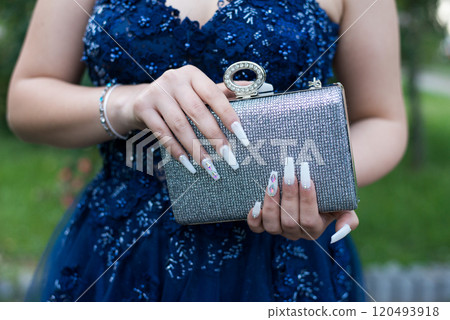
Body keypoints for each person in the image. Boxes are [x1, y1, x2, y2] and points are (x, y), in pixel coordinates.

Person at [7, 0, 407, 301]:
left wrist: (318, 185)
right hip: (123, 250)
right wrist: (130, 104)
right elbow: (26, 101)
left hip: (285, 252)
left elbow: (382, 119)